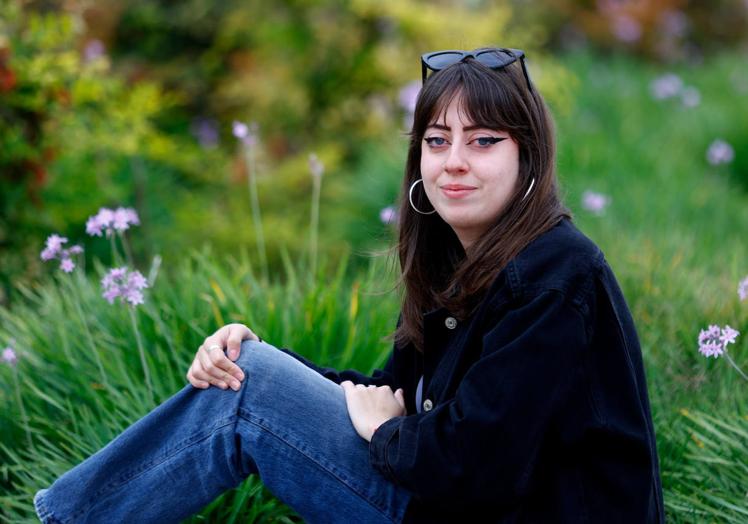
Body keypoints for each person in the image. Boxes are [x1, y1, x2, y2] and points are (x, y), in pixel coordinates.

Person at [33, 47, 665, 523]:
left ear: (528, 156)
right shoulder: (461, 263)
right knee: (245, 378)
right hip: (454, 503)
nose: (455, 162)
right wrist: (260, 358)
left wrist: (387, 433)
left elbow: (473, 463)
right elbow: (389, 394)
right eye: (437, 140)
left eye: (484, 141)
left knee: (245, 399)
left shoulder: (557, 279)